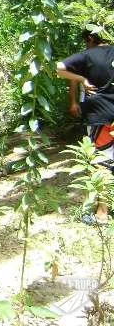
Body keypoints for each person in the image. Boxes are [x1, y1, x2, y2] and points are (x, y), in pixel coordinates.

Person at [57, 29, 114, 223]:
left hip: (101, 117)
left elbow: (60, 68)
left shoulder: (87, 55)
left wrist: (82, 79)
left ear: (90, 38)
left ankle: (102, 214)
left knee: (103, 164)